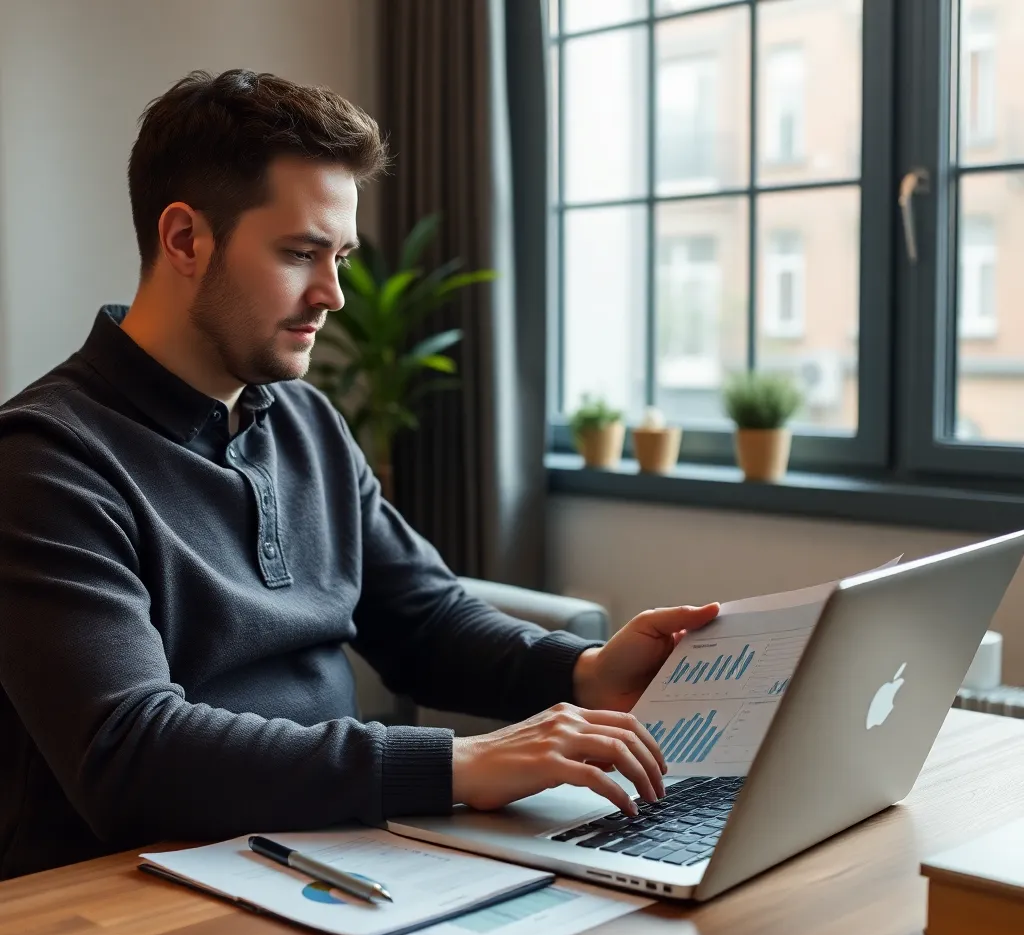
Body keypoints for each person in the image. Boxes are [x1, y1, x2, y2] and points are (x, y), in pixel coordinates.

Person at [0, 70, 718, 880]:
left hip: (333, 850)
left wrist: (582, 671)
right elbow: (128, 751)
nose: (332, 294)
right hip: (124, 891)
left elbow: (422, 619)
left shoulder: (306, 422)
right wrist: (452, 766)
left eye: (338, 256)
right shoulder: (46, 459)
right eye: (300, 254)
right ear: (184, 240)